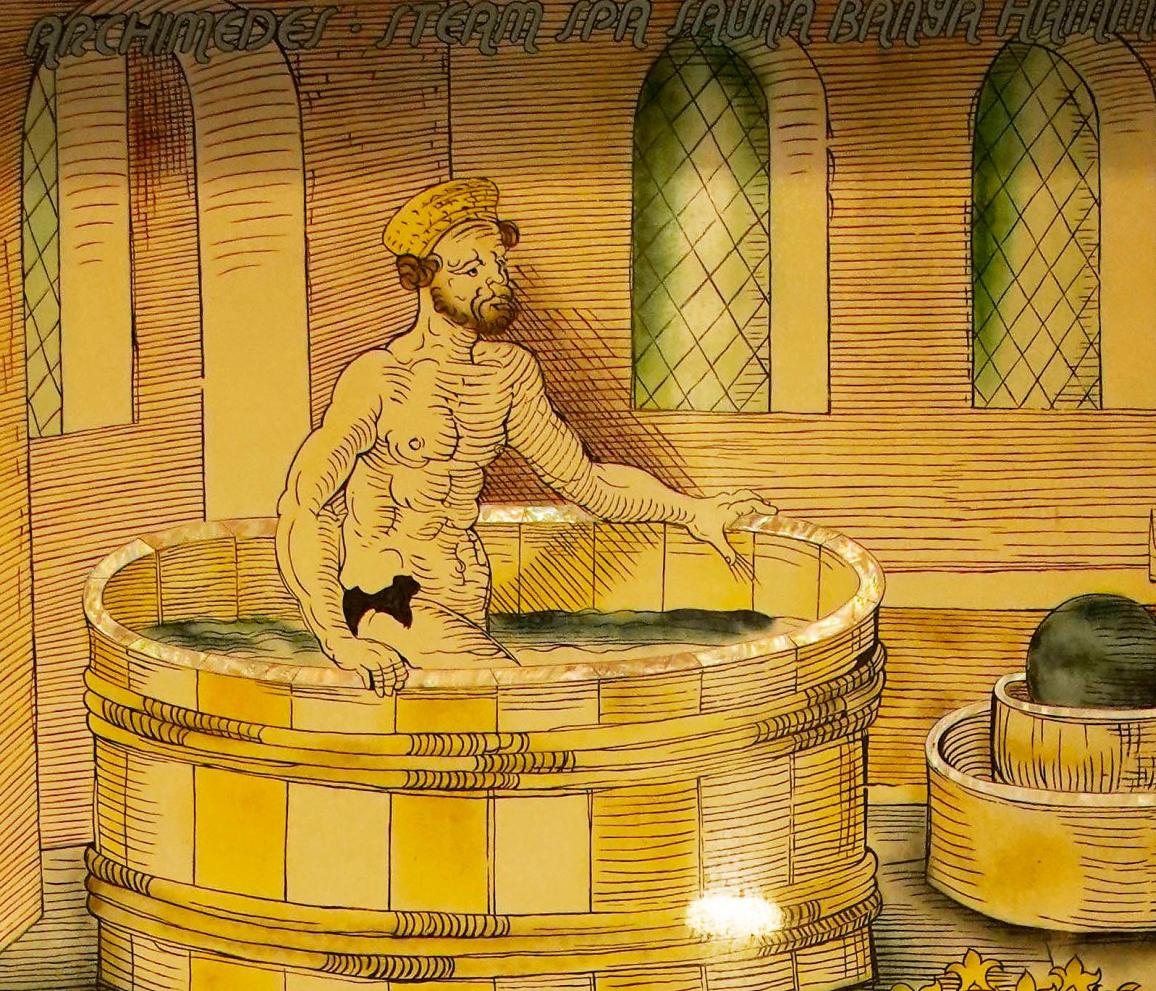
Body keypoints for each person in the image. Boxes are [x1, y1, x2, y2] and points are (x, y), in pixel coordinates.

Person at [272, 175, 778, 690]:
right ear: (422, 277)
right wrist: (339, 639)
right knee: (548, 707)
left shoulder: (508, 374)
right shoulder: (380, 379)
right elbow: (303, 505)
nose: (495, 281)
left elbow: (588, 481)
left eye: (498, 264)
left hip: (465, 606)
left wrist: (693, 511)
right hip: (390, 607)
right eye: (471, 269)